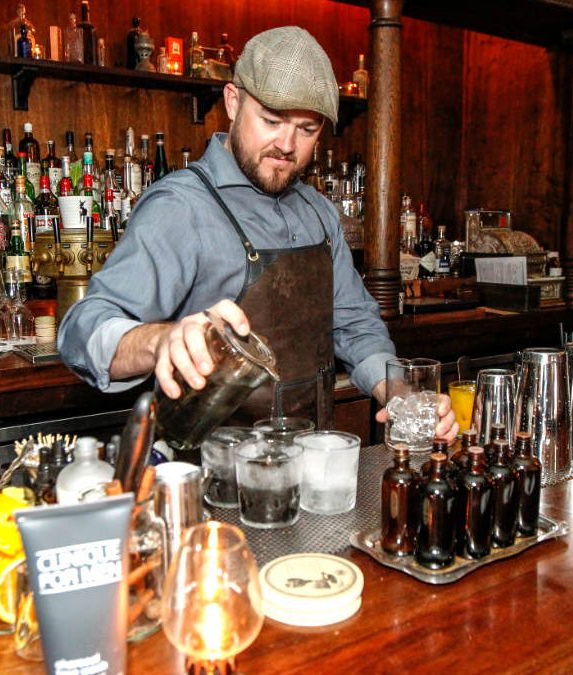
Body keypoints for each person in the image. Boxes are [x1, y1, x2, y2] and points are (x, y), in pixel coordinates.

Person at [58, 26, 457, 444]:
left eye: (307, 129)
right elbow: (81, 330)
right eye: (271, 120)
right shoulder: (181, 207)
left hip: (311, 468)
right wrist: (161, 340)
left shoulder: (319, 212)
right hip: (211, 482)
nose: (287, 145)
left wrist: (398, 394)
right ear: (232, 102)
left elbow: (354, 323)